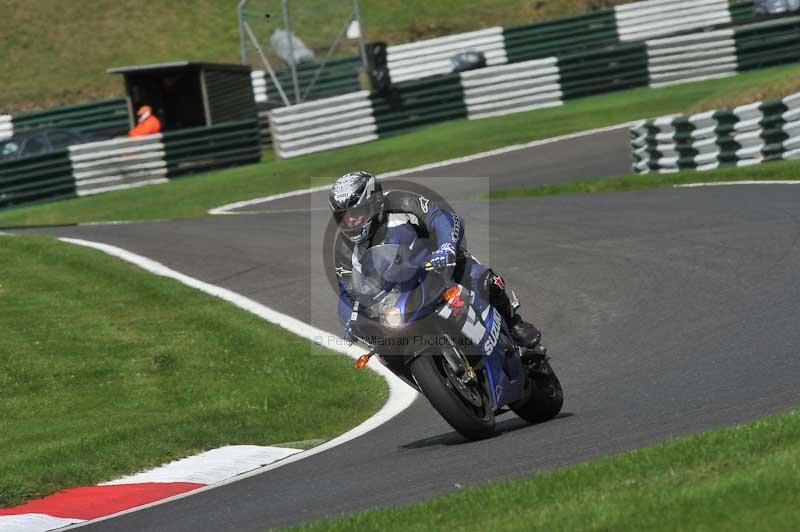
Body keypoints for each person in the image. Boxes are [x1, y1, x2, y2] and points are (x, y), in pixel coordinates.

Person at [329, 170, 542, 350]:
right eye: (343, 217)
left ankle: (514, 324)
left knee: (484, 279)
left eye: (355, 212)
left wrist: (446, 247)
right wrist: (351, 321)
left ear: (374, 202)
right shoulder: (344, 250)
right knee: (386, 348)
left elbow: (439, 217)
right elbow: (349, 292)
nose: (350, 221)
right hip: (398, 297)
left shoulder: (400, 202)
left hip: (438, 268)